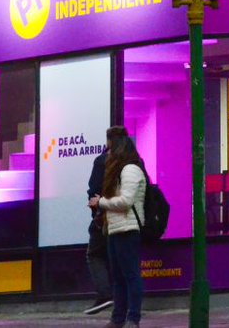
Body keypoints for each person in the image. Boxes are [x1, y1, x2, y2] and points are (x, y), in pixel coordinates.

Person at [89, 127, 146, 328]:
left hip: (127, 229)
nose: (108, 154)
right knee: (119, 277)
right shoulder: (121, 170)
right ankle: (118, 318)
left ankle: (132, 318)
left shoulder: (130, 169)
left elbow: (126, 201)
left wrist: (101, 202)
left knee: (130, 275)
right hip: (115, 228)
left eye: (110, 149)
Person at [82, 136, 116, 316]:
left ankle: (105, 294)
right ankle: (127, 304)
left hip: (105, 217)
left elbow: (93, 188)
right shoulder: (135, 161)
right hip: (128, 221)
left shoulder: (102, 161)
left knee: (94, 254)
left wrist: (95, 209)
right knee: (120, 259)